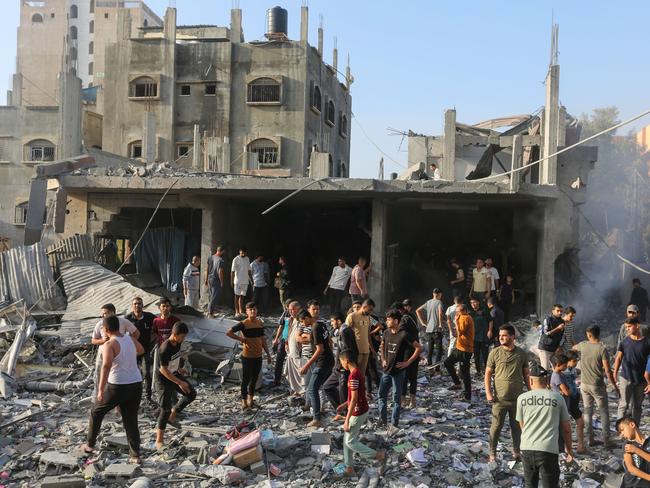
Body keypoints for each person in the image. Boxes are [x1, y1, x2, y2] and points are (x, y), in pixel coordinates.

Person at [83, 315, 144, 463]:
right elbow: (141, 350)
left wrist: (100, 390)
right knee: (130, 419)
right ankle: (135, 455)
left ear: (106, 329)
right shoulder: (130, 338)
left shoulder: (109, 345)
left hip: (117, 385)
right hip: (136, 383)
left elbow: (106, 366)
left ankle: (90, 445)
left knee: (96, 411)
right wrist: (128, 358)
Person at [516, 362, 573, 488]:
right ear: (547, 381)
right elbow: (567, 429)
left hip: (526, 448)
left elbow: (522, 426)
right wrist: (569, 450)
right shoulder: (557, 398)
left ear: (530, 381)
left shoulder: (522, 398)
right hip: (548, 450)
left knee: (530, 485)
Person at [336, 350, 385, 477]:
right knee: (347, 439)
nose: (341, 365)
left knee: (350, 441)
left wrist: (346, 419)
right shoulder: (357, 373)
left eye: (341, 362)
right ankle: (349, 467)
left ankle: (377, 455)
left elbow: (354, 399)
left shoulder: (353, 376)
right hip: (359, 409)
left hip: (358, 412)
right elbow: (354, 396)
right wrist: (344, 405)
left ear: (346, 360)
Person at [485, 324, 529, 462]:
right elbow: (487, 374)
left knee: (516, 427)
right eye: (500, 336)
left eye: (504, 335)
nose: (501, 338)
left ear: (512, 336)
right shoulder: (495, 352)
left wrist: (531, 392)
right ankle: (492, 453)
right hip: (499, 399)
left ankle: (517, 452)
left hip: (517, 399)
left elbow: (526, 375)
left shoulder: (521, 354)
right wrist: (488, 393)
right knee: (496, 427)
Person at [573, 325, 619, 448]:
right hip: (597, 385)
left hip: (584, 384)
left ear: (589, 334)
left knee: (587, 411)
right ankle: (606, 440)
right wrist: (614, 385)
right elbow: (608, 371)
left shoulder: (582, 345)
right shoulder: (602, 349)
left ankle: (590, 439)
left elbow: (573, 348)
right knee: (603, 412)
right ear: (599, 334)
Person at [378, 309, 422, 429]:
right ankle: (383, 421)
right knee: (381, 396)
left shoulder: (404, 334)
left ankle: (394, 423)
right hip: (386, 371)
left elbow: (418, 348)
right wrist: (382, 359)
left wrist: (408, 362)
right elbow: (382, 345)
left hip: (398, 372)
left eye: (389, 319)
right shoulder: (386, 333)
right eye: (386, 319)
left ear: (396, 321)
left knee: (396, 400)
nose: (387, 322)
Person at [156, 322, 196, 449]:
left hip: (174, 373)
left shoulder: (177, 343)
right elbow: (163, 369)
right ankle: (159, 440)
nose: (183, 339)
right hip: (164, 379)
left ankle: (175, 411)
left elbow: (174, 358)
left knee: (191, 393)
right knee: (165, 409)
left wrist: (179, 369)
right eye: (182, 336)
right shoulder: (164, 348)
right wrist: (179, 382)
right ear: (174, 334)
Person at [227, 302, 272, 410]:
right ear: (246, 311)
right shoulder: (243, 323)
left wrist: (268, 354)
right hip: (247, 356)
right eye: (250, 309)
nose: (253, 311)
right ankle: (243, 401)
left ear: (257, 311)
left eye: (254, 309)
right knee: (246, 379)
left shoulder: (260, 323)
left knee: (254, 379)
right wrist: (241, 339)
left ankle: (251, 400)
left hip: (258, 355)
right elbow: (229, 332)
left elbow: (263, 339)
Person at [91, 304, 139, 401]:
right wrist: (102, 340)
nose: (103, 316)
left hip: (118, 353)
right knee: (99, 376)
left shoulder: (123, 321)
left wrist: (128, 344)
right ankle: (99, 398)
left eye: (106, 313)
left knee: (114, 375)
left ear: (113, 312)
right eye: (102, 314)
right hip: (103, 353)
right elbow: (93, 340)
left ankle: (115, 402)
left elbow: (136, 333)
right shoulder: (100, 324)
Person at [300, 308, 335, 427]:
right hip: (329, 360)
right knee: (327, 386)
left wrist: (306, 365)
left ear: (306, 318)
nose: (302, 324)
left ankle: (316, 418)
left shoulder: (315, 328)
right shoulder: (321, 324)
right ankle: (342, 410)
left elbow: (320, 349)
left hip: (323, 362)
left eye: (302, 321)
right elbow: (329, 342)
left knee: (312, 389)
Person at [614, 318, 650, 425]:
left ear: (637, 325)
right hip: (626, 378)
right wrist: (615, 373)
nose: (627, 329)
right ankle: (620, 429)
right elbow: (619, 358)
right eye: (626, 327)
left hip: (641, 381)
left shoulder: (647, 343)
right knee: (623, 405)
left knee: (637, 406)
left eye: (629, 326)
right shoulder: (624, 342)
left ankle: (635, 430)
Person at [550, 354, 583, 454]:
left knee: (562, 427)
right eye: (564, 365)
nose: (566, 366)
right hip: (561, 405)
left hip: (564, 404)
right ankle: (561, 449)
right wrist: (568, 390)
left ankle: (562, 448)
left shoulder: (560, 374)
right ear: (559, 365)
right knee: (562, 428)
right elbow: (567, 392)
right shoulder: (557, 376)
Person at [125, 297, 156, 402]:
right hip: (132, 351)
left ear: (143, 305)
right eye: (135, 304)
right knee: (131, 373)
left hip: (146, 350)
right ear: (132, 305)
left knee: (147, 373)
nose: (137, 305)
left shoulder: (149, 317)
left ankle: (148, 397)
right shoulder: (128, 318)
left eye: (139, 303)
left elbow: (157, 328)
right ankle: (131, 396)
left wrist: (151, 340)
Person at [444, 303, 474, 401]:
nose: (457, 313)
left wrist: (456, 323)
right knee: (447, 362)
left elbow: (460, 331)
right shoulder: (461, 316)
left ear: (464, 311)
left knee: (465, 373)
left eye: (458, 311)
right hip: (459, 347)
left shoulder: (466, 318)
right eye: (456, 312)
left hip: (465, 350)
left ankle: (467, 396)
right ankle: (457, 383)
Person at [396, 302, 420, 408]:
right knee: (413, 376)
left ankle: (403, 400)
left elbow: (401, 335)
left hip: (407, 351)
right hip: (415, 351)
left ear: (399, 310)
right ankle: (412, 400)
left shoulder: (403, 322)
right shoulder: (411, 316)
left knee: (404, 376)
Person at [616, 416, 650, 487]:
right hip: (630, 483)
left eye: (622, 430)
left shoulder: (648, 441)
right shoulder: (627, 444)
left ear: (632, 425)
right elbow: (631, 468)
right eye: (619, 433)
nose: (621, 435)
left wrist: (636, 450)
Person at [415, 289, 444, 369]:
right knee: (439, 350)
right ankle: (437, 369)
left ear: (433, 293)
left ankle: (429, 368)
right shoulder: (439, 302)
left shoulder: (428, 302)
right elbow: (440, 313)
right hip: (436, 330)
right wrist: (441, 324)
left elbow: (417, 310)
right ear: (439, 294)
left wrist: (423, 322)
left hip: (428, 330)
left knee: (430, 350)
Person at [564, 351, 586, 454]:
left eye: (577, 360)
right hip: (567, 401)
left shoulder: (572, 370)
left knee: (580, 423)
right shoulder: (563, 372)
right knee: (566, 426)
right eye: (574, 361)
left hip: (574, 400)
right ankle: (567, 447)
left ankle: (580, 446)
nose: (576, 362)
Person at [345, 298, 375, 375]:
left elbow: (368, 335)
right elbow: (345, 334)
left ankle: (361, 387)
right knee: (354, 374)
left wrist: (372, 349)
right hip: (356, 351)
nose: (371, 312)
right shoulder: (352, 316)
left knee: (362, 375)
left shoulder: (368, 317)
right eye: (370, 310)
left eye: (372, 310)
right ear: (364, 307)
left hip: (366, 351)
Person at [284, 301, 305, 398]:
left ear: (299, 309)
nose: (291, 312)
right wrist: (286, 342)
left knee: (301, 371)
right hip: (290, 349)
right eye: (290, 310)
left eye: (293, 309)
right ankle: (296, 390)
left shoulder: (302, 320)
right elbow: (287, 332)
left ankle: (303, 391)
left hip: (298, 350)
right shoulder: (290, 320)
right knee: (292, 372)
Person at [536, 304, 565, 370]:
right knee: (545, 368)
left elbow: (561, 336)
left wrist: (559, 347)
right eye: (558, 311)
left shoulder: (562, 321)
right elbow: (547, 334)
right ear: (553, 311)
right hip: (545, 348)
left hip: (554, 349)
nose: (560, 313)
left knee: (557, 368)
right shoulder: (548, 319)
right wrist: (558, 328)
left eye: (561, 311)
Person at [272, 298, 293, 386]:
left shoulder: (299, 315)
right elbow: (281, 326)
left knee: (293, 360)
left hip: (293, 341)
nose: (291, 310)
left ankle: (293, 383)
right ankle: (277, 380)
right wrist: (276, 339)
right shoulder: (285, 313)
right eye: (289, 308)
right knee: (279, 359)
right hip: (284, 339)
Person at [470, 298, 490, 376]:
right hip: (474, 338)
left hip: (484, 337)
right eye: (471, 303)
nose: (473, 304)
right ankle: (478, 371)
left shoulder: (484, 310)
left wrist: (490, 331)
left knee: (485, 355)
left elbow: (490, 321)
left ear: (478, 302)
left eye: (474, 302)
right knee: (476, 355)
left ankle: (487, 371)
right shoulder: (470, 313)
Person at [231, 248, 252, 318]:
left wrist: (251, 280)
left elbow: (249, 270)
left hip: (245, 281)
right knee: (237, 296)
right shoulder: (236, 259)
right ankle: (236, 311)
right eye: (242, 252)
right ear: (239, 252)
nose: (243, 253)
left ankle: (241, 311)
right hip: (238, 281)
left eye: (244, 252)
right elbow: (232, 271)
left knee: (242, 296)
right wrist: (231, 280)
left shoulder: (247, 259)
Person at [205, 246, 225, 317]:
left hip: (210, 278)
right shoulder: (220, 260)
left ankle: (210, 311)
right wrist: (222, 281)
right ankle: (210, 312)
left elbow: (206, 269)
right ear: (222, 251)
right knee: (214, 296)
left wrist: (206, 279)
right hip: (216, 280)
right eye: (223, 252)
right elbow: (220, 272)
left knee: (211, 296)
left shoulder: (210, 257)